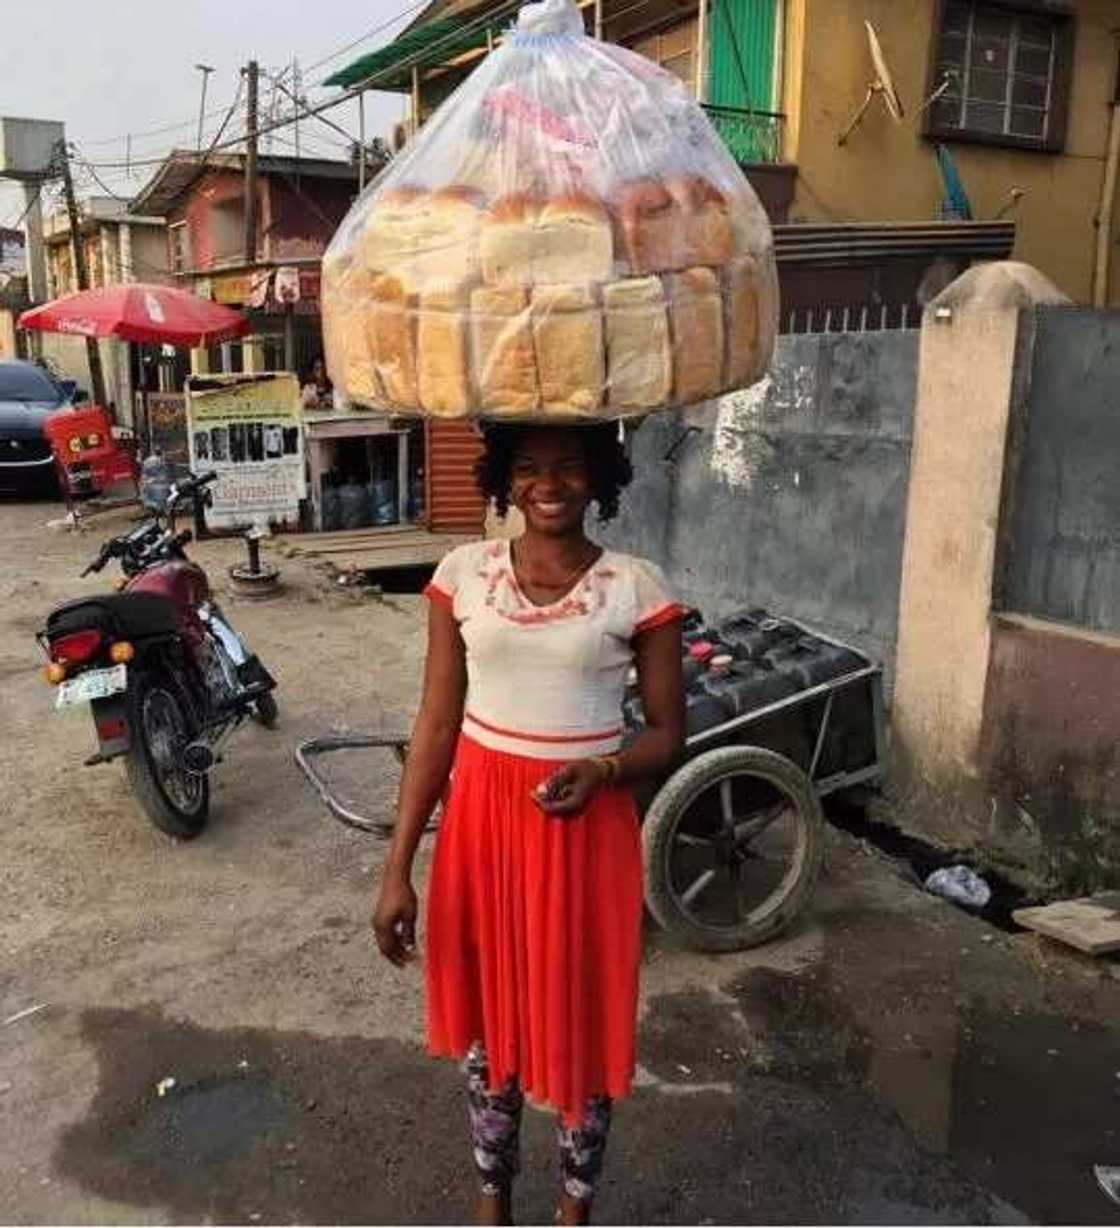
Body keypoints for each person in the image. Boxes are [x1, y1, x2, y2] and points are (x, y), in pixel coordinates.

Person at [373, 423, 685, 1226]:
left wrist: (606, 769)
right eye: (530, 469)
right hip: (480, 826)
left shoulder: (635, 588)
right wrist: (397, 868)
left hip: (584, 832)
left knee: (582, 1013)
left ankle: (574, 1208)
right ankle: (493, 1195)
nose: (550, 484)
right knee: (487, 1021)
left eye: (570, 467)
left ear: (601, 478)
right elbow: (436, 726)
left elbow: (666, 733)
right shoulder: (462, 576)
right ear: (505, 480)